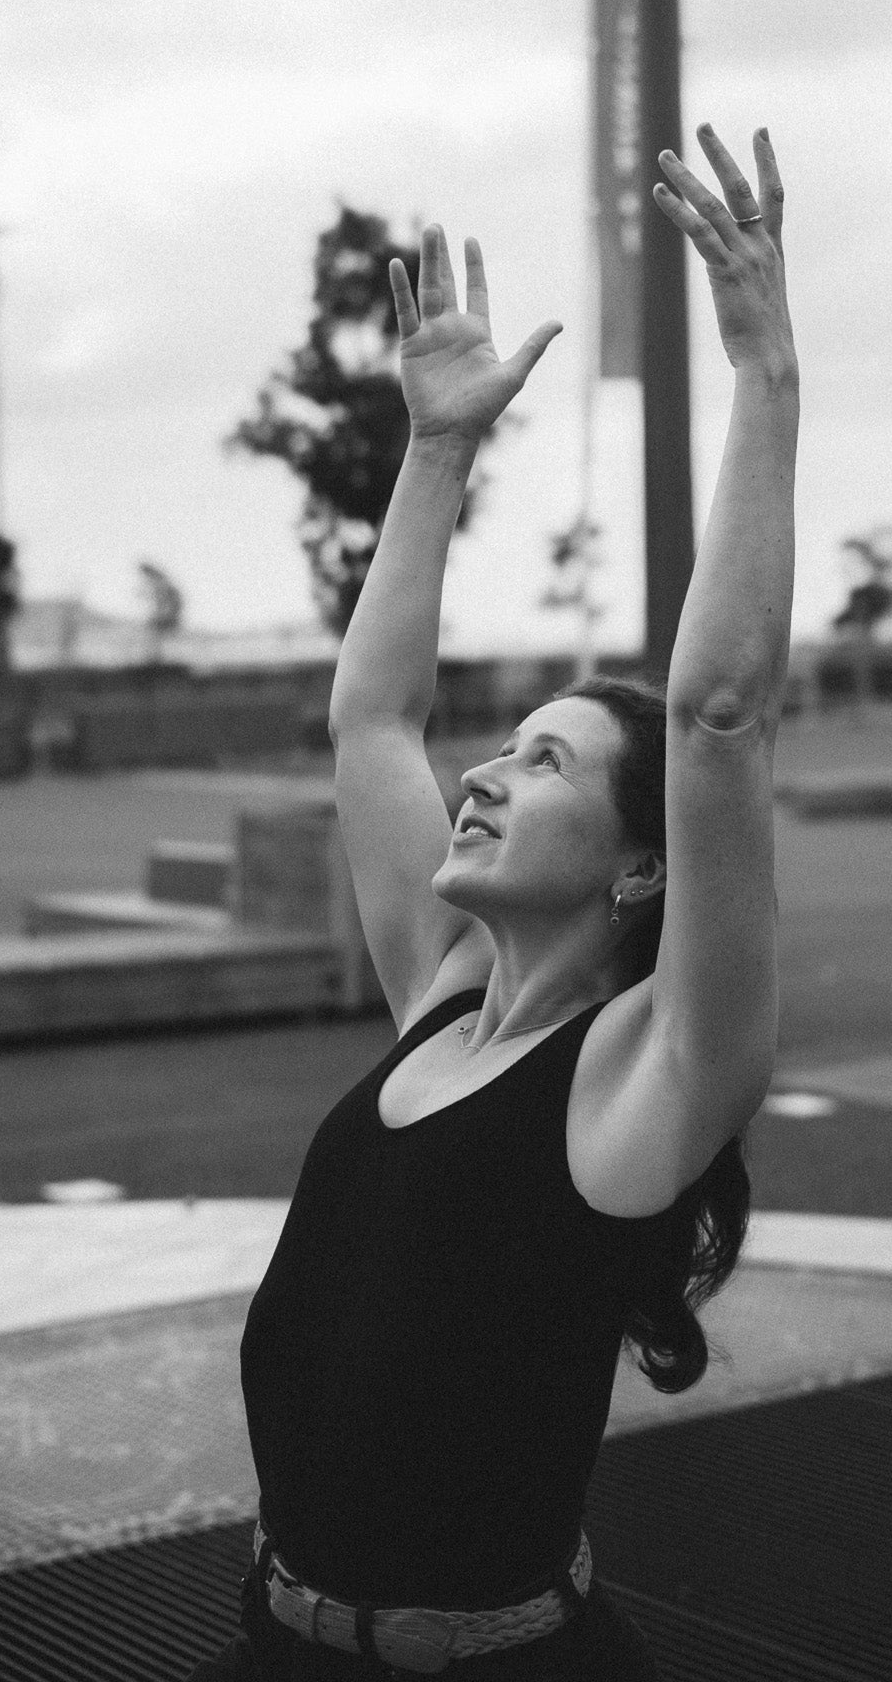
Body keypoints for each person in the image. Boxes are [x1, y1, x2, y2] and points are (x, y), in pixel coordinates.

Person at [189, 123, 798, 1679]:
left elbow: (718, 713)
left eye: (539, 764)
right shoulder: (440, 998)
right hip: (276, 1640)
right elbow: (373, 721)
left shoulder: (643, 1084)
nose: (479, 775)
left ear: (638, 861)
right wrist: (437, 450)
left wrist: (762, 376)